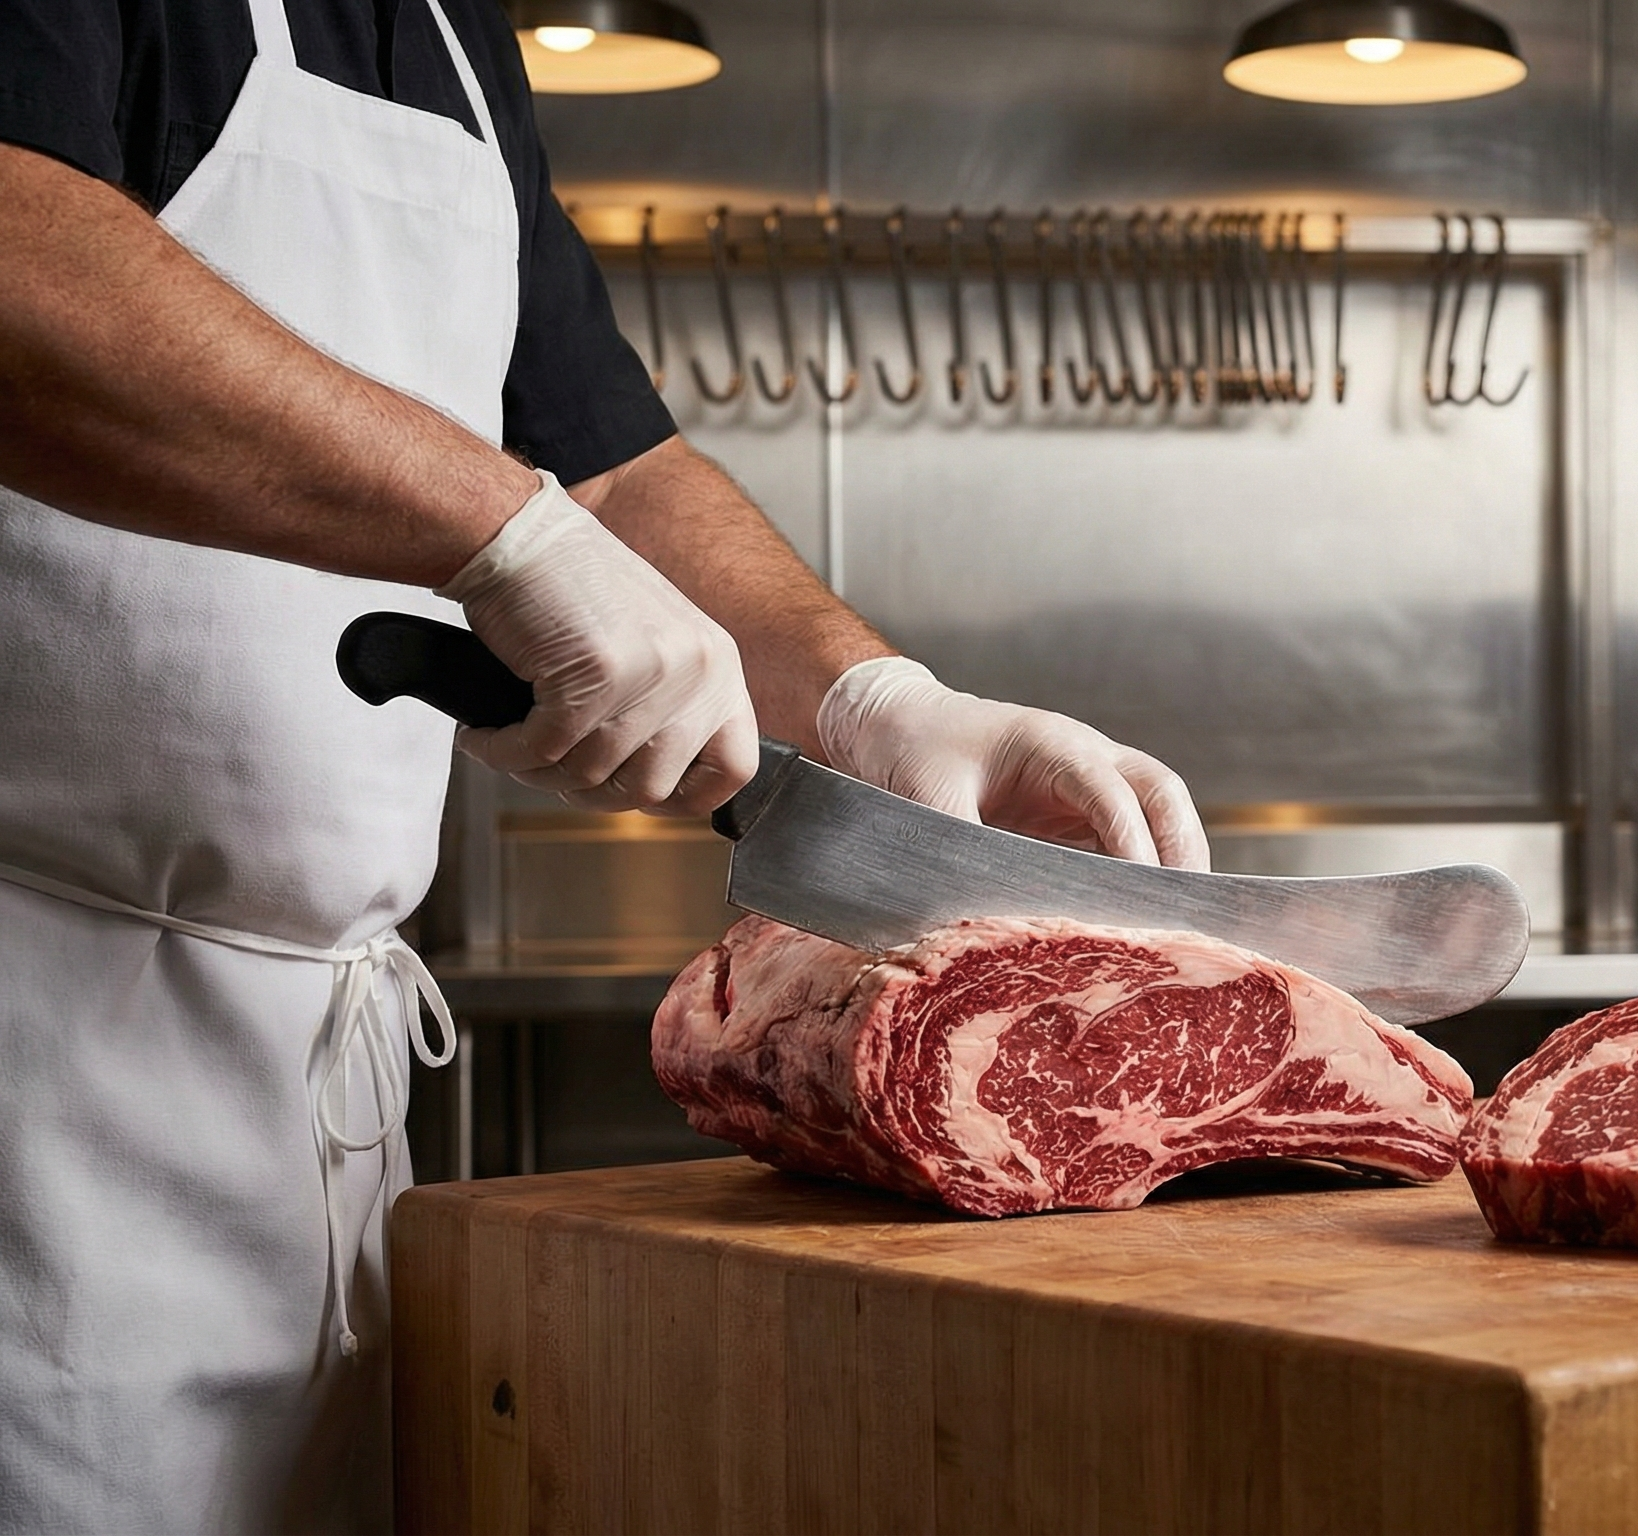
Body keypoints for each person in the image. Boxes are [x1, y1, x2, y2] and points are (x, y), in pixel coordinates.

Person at [0, 0, 1209, 1527]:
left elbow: (604, 461)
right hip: (30, 1063)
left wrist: (870, 699)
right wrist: (497, 533)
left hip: (310, 1109)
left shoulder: (448, 31)